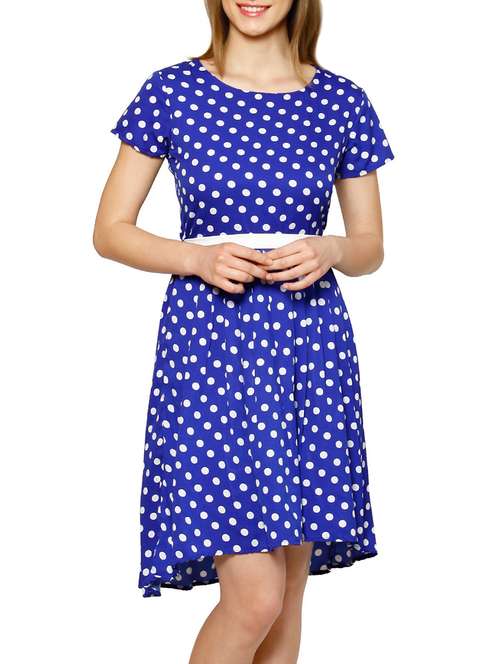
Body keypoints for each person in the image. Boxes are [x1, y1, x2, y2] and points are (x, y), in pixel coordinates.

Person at [93, 1, 395, 661]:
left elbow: (370, 246)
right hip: (210, 346)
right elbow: (109, 230)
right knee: (255, 597)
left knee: (286, 600)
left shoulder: (342, 101)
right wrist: (196, 259)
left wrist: (332, 249)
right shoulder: (171, 90)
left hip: (308, 345)